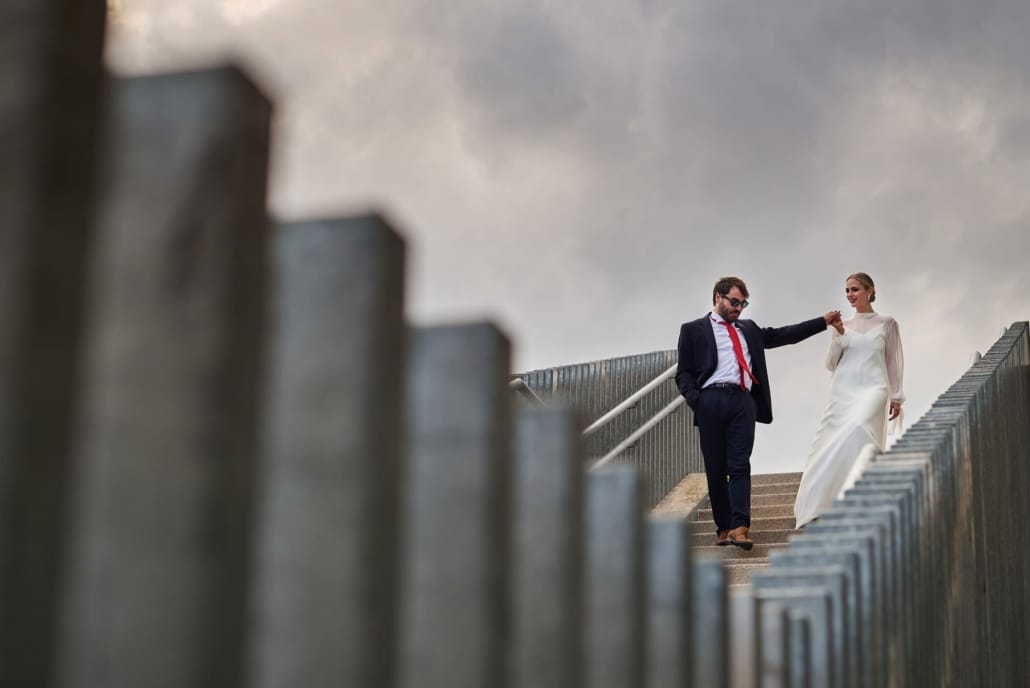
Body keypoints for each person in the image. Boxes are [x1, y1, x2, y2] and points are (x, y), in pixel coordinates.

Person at [676, 276, 840, 549]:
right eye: (734, 302)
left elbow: (784, 335)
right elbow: (683, 373)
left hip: (742, 401)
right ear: (718, 297)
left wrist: (822, 322)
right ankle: (724, 527)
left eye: (743, 304)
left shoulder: (748, 329)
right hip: (711, 400)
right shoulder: (693, 330)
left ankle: (740, 527)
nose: (739, 308)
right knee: (716, 469)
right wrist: (697, 401)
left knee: (739, 463)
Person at [793, 272, 905, 529]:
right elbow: (830, 364)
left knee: (859, 430)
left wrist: (897, 395)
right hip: (843, 391)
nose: (850, 295)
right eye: (847, 291)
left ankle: (863, 498)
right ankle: (828, 500)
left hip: (874, 388)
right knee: (832, 440)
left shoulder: (888, 323)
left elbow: (893, 361)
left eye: (855, 289)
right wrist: (840, 336)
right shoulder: (841, 324)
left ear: (870, 290)